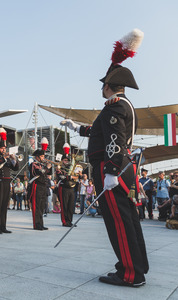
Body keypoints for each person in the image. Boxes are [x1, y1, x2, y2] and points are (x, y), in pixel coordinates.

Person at [62, 29, 149, 287]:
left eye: (103, 84)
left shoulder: (115, 106)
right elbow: (99, 132)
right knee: (128, 220)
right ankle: (134, 266)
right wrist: (75, 127)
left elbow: (115, 140)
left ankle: (130, 274)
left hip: (112, 169)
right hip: (122, 168)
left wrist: (110, 170)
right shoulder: (121, 105)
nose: (101, 88)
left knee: (119, 222)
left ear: (109, 86)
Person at [0, 140, 19, 233]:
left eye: (4, 148)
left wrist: (14, 159)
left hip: (7, 182)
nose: (4, 150)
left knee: (4, 205)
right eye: (2, 148)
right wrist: (4, 157)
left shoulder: (7, 159)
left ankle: (3, 226)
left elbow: (15, 168)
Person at [28, 149, 51, 230]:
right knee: (36, 206)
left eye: (43, 156)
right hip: (36, 186)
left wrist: (48, 167)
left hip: (43, 186)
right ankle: (36, 224)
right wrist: (46, 168)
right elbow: (38, 173)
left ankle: (41, 223)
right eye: (42, 156)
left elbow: (48, 173)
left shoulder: (42, 165)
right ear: (37, 157)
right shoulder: (33, 164)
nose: (43, 158)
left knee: (41, 206)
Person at [56, 155, 79, 227]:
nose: (66, 162)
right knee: (64, 205)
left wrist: (78, 175)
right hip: (63, 187)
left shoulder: (70, 168)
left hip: (71, 188)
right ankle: (64, 221)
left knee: (71, 205)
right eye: (65, 160)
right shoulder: (59, 168)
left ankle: (69, 221)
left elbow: (77, 177)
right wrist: (71, 177)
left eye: (67, 160)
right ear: (62, 161)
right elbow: (61, 177)